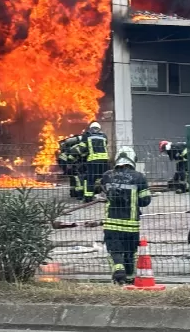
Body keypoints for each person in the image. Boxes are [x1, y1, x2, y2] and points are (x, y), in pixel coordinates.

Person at [98, 146, 151, 285]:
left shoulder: (107, 176)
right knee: (130, 253)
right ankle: (129, 278)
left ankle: (118, 272)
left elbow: (100, 190)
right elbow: (146, 200)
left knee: (114, 250)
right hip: (131, 225)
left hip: (112, 224)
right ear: (132, 159)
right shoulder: (139, 177)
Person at [61, 122, 110, 201]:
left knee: (90, 179)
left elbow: (81, 148)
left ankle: (88, 198)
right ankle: (105, 195)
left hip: (93, 160)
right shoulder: (104, 136)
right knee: (102, 178)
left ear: (90, 128)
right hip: (104, 161)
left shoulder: (87, 136)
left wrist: (72, 155)